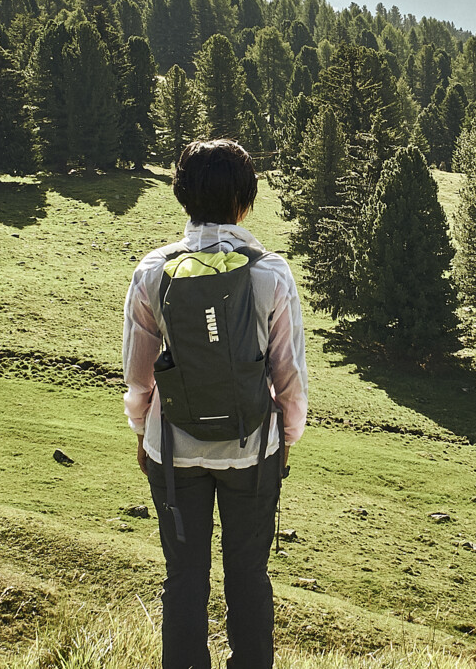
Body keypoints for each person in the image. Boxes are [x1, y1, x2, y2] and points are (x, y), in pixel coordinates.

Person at [123, 138, 308, 669]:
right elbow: (289, 377)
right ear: (244, 202)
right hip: (252, 453)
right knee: (248, 576)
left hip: (173, 452)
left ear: (182, 196)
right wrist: (285, 441)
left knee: (183, 577)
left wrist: (143, 434)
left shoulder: (152, 271)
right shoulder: (271, 273)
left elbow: (138, 377)